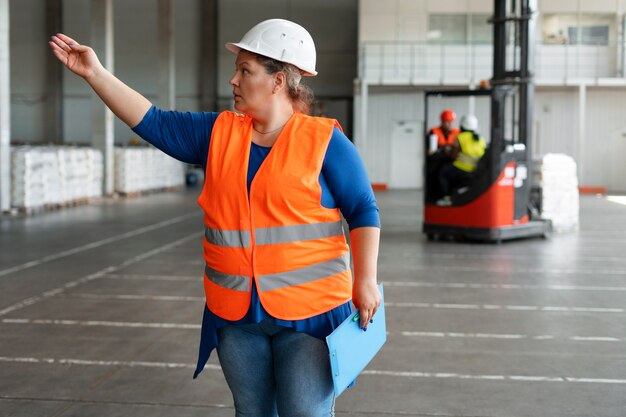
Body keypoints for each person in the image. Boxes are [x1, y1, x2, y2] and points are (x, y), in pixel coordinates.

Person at [49, 18, 381, 417]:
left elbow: (362, 209)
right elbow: (153, 121)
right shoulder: (218, 133)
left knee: (304, 413)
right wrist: (95, 74)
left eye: (246, 71)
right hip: (236, 315)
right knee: (251, 412)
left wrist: (365, 281)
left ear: (279, 81)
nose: (234, 81)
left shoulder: (325, 141)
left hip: (311, 315)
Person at [436, 114, 486, 206]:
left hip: (463, 168)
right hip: (476, 169)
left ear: (462, 125)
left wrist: (446, 151)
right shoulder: (481, 139)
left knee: (443, 173)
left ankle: (447, 198)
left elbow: (453, 156)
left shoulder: (461, 137)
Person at [425, 109, 460, 202]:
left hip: (451, 160)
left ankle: (449, 196)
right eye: (445, 122)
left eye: (449, 122)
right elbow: (429, 149)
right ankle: (436, 198)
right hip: (436, 160)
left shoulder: (457, 132)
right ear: (441, 121)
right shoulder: (433, 131)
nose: (447, 124)